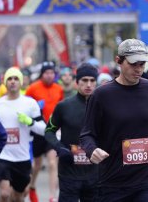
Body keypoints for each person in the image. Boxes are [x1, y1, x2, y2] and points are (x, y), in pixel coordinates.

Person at [79, 38, 148, 202]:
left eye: (142, 64)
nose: (139, 69)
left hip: (147, 179)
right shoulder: (101, 95)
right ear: (119, 61)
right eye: (133, 64)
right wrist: (92, 150)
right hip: (113, 181)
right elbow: (87, 134)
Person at [45, 63, 99, 202]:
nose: (88, 84)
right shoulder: (64, 106)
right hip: (69, 173)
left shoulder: (102, 106)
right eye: (84, 80)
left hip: (95, 174)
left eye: (92, 81)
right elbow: (49, 131)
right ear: (77, 82)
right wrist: (59, 148)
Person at [0, 67, 46, 202]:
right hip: (2, 156)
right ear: (5, 82)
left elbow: (44, 130)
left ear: (21, 82)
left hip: (22, 157)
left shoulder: (30, 103)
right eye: (9, 79)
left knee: (18, 196)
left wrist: (30, 122)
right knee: (4, 193)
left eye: (16, 79)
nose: (13, 82)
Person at [25, 61, 64, 202]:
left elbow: (62, 108)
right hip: (37, 130)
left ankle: (53, 196)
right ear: (42, 74)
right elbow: (26, 106)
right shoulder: (32, 88)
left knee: (53, 163)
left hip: (52, 130)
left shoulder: (58, 89)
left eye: (52, 73)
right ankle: (32, 186)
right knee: (37, 164)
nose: (49, 75)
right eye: (46, 73)